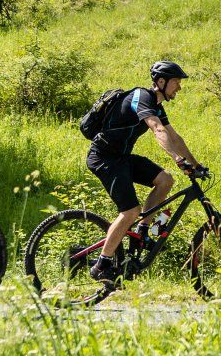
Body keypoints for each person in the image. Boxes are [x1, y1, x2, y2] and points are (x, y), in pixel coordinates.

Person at [85, 59, 205, 281]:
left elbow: (174, 137)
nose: (179, 87)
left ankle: (142, 232)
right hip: (104, 158)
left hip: (121, 157)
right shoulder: (141, 97)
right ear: (161, 81)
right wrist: (178, 160)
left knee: (165, 180)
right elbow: (157, 129)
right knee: (130, 211)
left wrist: (196, 165)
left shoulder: (157, 105)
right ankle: (102, 264)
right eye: (176, 82)